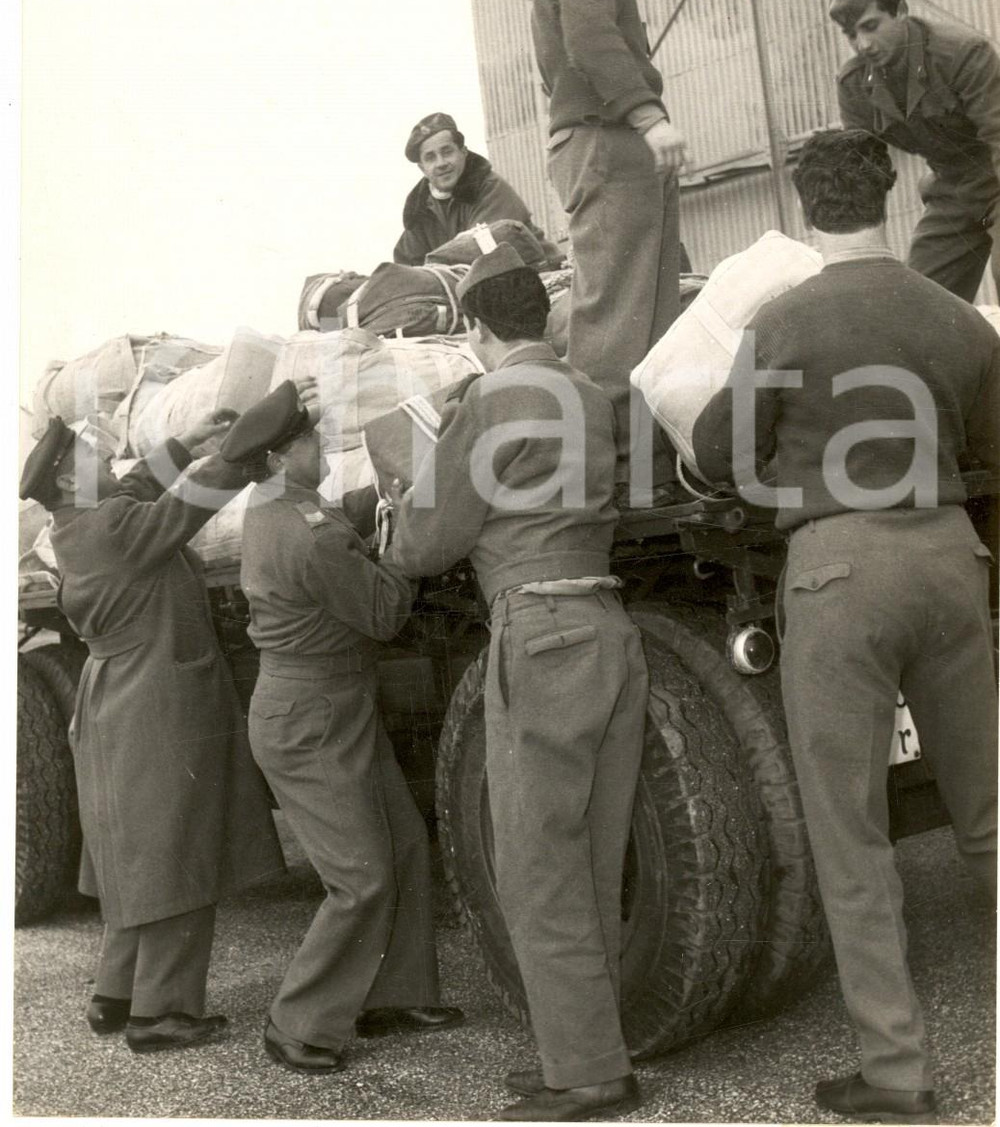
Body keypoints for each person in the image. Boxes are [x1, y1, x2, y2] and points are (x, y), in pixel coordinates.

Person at [691, 129, 999, 1123]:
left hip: (839, 573)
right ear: (890, 197)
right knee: (989, 811)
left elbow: (715, 448)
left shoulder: (783, 319)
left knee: (852, 830)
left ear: (804, 208)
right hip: (951, 561)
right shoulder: (957, 320)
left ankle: (898, 1072)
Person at [388, 245, 648, 1122]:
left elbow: (425, 544)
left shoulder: (487, 400)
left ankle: (585, 1073)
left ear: (476, 327)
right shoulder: (588, 391)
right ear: (542, 317)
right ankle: (590, 1049)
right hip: (611, 624)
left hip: (537, 630)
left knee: (540, 865)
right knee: (595, 853)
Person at [19, 407, 285, 1054]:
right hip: (156, 701)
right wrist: (257, 435)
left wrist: (183, 442)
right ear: (68, 481)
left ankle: (116, 992)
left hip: (124, 699)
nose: (103, 458)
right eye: (87, 457)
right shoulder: (112, 528)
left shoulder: (79, 522)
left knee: (136, 855)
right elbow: (187, 505)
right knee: (177, 852)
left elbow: (137, 488)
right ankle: (162, 1012)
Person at [219, 381, 463, 1075]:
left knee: (405, 842)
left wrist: (372, 517)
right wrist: (408, 537)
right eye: (306, 438)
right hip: (311, 719)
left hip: (330, 707)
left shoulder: (284, 505)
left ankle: (396, 992)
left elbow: (340, 526)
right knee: (360, 876)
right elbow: (385, 611)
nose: (319, 444)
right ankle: (297, 1022)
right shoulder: (304, 531)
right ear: (276, 455)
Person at [531, 0, 691, 502]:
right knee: (618, 314)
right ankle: (605, 477)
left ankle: (637, 470)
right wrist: (650, 117)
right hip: (607, 139)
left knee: (644, 314)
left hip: (611, 141)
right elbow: (591, 37)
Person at [830, 0, 1000, 302]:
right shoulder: (854, 86)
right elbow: (863, 181)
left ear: (902, 10)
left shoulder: (962, 54)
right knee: (916, 304)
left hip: (997, 182)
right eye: (851, 35)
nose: (862, 45)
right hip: (953, 191)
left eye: (871, 26)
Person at [394, 111, 562, 269]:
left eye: (447, 152)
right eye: (430, 157)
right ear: (422, 168)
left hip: (540, 276)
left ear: (463, 152)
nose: (441, 163)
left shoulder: (489, 188)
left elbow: (483, 252)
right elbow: (406, 268)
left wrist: (430, 267)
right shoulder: (417, 212)